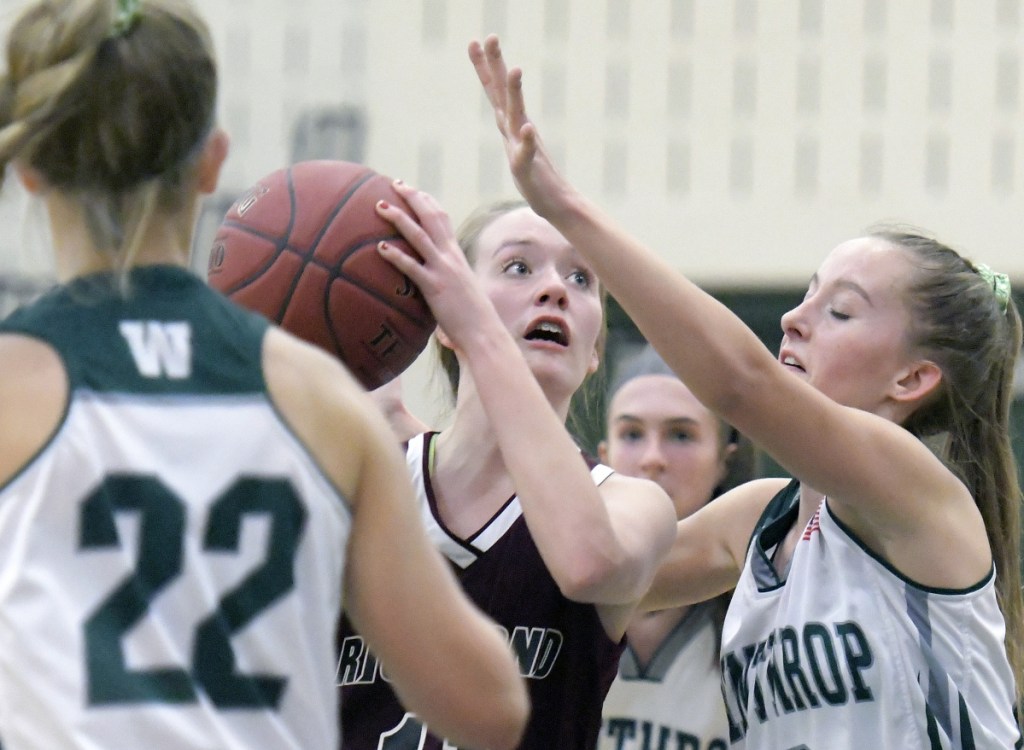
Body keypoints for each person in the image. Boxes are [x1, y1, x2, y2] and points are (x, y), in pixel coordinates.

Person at [470, 34, 1024, 749]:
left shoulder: (915, 491)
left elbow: (739, 384)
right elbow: (585, 573)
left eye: (840, 311)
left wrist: (566, 210)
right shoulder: (761, 519)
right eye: (806, 295)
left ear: (911, 379)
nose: (794, 319)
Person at [0, 2, 530, 748]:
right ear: (213, 161)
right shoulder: (317, 401)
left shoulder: (11, 390)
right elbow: (490, 708)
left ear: (29, 170)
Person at [337, 193, 678, 750]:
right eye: (518, 267)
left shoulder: (631, 505)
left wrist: (481, 331)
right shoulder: (368, 480)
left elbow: (587, 564)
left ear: (594, 351)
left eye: (581, 278)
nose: (555, 289)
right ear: (442, 322)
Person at [597, 346, 754, 750]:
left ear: (724, 459)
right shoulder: (548, 587)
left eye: (680, 435)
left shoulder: (766, 610)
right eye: (631, 434)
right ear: (603, 456)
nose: (652, 458)